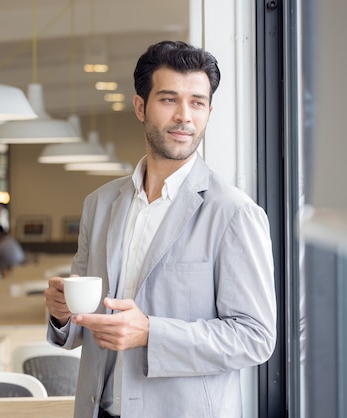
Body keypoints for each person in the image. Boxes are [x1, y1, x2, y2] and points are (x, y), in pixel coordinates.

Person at [44, 40, 277, 418]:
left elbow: (255, 338)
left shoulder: (234, 213)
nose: (184, 116)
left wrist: (151, 332)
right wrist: (62, 314)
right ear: (141, 107)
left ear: (208, 111)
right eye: (169, 100)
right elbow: (81, 323)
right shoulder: (99, 204)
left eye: (197, 102)